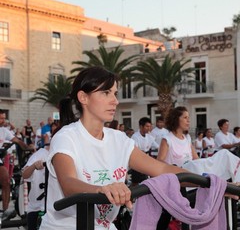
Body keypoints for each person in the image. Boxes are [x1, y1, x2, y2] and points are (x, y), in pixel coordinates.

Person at [39, 67, 189, 230]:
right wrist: (102, 189)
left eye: (114, 94)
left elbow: (162, 168)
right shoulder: (66, 137)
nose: (115, 101)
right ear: (83, 97)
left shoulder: (119, 140)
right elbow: (68, 183)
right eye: (105, 93)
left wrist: (210, 181)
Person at [0, 109, 33, 220]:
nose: (3, 121)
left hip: (1, 159)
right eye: (1, 118)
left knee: (6, 180)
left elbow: (18, 141)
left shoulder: (4, 131)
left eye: (4, 118)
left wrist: (28, 148)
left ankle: (4, 211)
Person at [130, 117, 159, 184]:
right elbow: (135, 150)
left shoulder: (149, 136)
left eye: (150, 126)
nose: (149, 128)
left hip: (146, 159)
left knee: (146, 179)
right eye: (147, 126)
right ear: (141, 126)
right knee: (136, 181)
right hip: (137, 160)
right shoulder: (135, 137)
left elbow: (157, 146)